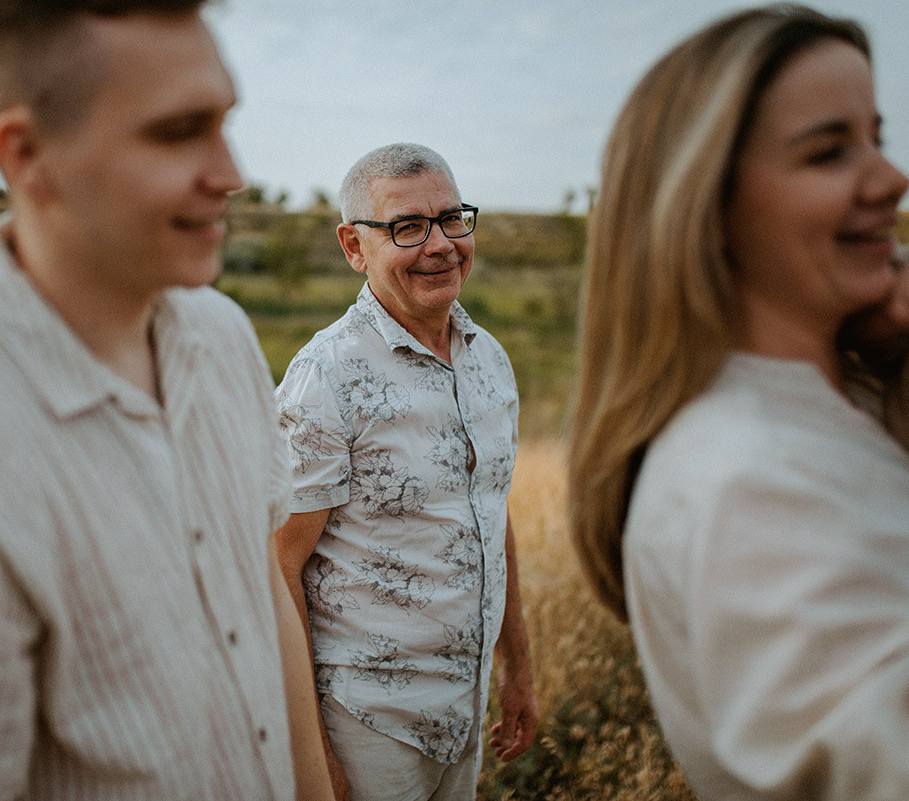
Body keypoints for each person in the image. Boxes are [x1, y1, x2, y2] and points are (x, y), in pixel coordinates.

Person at [0, 2, 330, 799]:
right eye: (179, 131)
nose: (232, 173)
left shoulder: (222, 337)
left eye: (224, 122)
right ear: (27, 153)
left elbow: (263, 593)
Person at [567, 4, 909, 799]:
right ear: (710, 208)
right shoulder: (749, 478)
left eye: (876, 138)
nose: (891, 178)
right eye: (829, 151)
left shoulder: (848, 400)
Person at [273, 142, 538, 801]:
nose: (442, 244)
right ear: (354, 246)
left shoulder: (491, 360)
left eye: (453, 218)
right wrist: (314, 757)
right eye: (407, 227)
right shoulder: (324, 378)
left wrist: (518, 671)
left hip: (464, 713)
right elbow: (275, 569)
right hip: (366, 726)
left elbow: (489, 513)